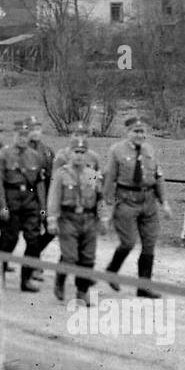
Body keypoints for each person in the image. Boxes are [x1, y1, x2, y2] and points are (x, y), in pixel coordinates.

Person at [101, 115, 172, 298]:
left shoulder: (149, 150)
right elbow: (109, 179)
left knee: (149, 243)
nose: (140, 135)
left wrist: (164, 203)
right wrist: (106, 207)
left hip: (148, 202)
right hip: (126, 201)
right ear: (128, 133)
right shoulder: (116, 150)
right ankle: (112, 270)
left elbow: (158, 177)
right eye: (136, 131)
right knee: (128, 242)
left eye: (143, 132)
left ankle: (143, 287)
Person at [0, 119, 54, 292]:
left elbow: (40, 183)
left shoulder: (35, 156)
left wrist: (43, 207)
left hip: (30, 202)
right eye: (20, 135)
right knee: (9, 239)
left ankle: (26, 279)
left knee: (33, 241)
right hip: (11, 202)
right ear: (14, 135)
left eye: (25, 135)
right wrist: (2, 205)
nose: (22, 138)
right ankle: (0, 274)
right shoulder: (4, 155)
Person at [47, 126, 104, 306]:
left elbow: (100, 198)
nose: (79, 155)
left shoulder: (93, 175)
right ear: (69, 153)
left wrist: (103, 218)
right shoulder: (61, 174)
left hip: (88, 219)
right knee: (70, 256)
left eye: (82, 152)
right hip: (68, 219)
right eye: (75, 151)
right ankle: (60, 280)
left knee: (88, 258)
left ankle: (82, 291)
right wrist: (52, 219)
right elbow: (54, 198)